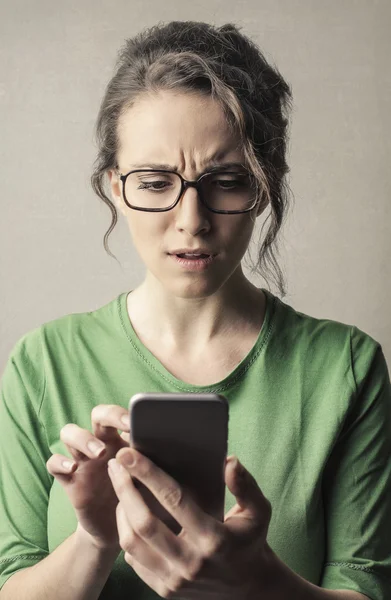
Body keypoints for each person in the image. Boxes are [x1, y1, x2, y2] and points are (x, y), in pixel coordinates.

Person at [0, 20, 390, 600]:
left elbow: (366, 586)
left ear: (264, 185)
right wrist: (94, 539)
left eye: (227, 181)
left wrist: (260, 583)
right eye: (155, 182)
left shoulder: (346, 366)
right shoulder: (43, 362)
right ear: (115, 186)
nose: (191, 220)